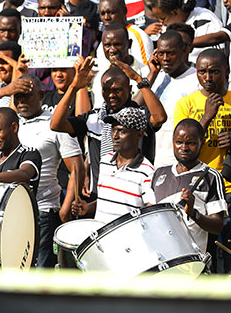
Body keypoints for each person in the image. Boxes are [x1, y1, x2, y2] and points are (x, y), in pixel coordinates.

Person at [0, 78, 84, 268]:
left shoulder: (54, 123)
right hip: (8, 213)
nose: (21, 101)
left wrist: (65, 209)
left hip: (42, 211)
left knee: (38, 275)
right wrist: (7, 90)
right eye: (17, 96)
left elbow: (76, 167)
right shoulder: (7, 121)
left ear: (41, 95)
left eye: (26, 95)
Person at [173, 49, 231, 268]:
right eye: (202, 72)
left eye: (214, 71)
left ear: (227, 71)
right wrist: (206, 116)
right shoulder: (186, 104)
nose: (207, 77)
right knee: (201, 258)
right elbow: (183, 146)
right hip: (200, 192)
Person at [51, 62, 158, 205]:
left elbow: (159, 118)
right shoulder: (93, 118)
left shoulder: (139, 115)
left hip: (133, 197)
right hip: (100, 198)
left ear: (129, 89)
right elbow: (56, 124)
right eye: (106, 90)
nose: (111, 95)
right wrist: (74, 87)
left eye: (117, 90)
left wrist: (139, 80)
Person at [150, 118, 227, 247]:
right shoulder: (159, 173)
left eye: (190, 143)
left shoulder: (211, 176)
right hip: (161, 255)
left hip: (191, 259)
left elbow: (217, 226)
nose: (184, 148)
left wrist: (193, 213)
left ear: (202, 142)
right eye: (179, 142)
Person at [73, 107, 155, 223]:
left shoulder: (147, 171)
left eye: (121, 131)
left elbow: (151, 211)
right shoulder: (105, 161)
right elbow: (106, 201)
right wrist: (88, 207)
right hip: (100, 236)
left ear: (139, 134)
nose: (114, 136)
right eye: (113, 130)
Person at [142, 31, 200, 168]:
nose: (165, 58)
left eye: (171, 53)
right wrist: (152, 74)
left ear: (183, 50)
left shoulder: (196, 80)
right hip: (154, 159)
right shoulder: (156, 77)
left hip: (180, 162)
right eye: (161, 54)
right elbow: (135, 106)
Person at [150, 0, 224, 63]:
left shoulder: (205, 20)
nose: (161, 22)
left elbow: (220, 50)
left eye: (163, 18)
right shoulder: (167, 26)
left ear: (175, 12)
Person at [96, 0, 154, 73]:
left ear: (124, 11)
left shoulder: (138, 36)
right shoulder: (103, 41)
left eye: (111, 12)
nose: (106, 17)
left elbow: (146, 72)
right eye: (102, 13)